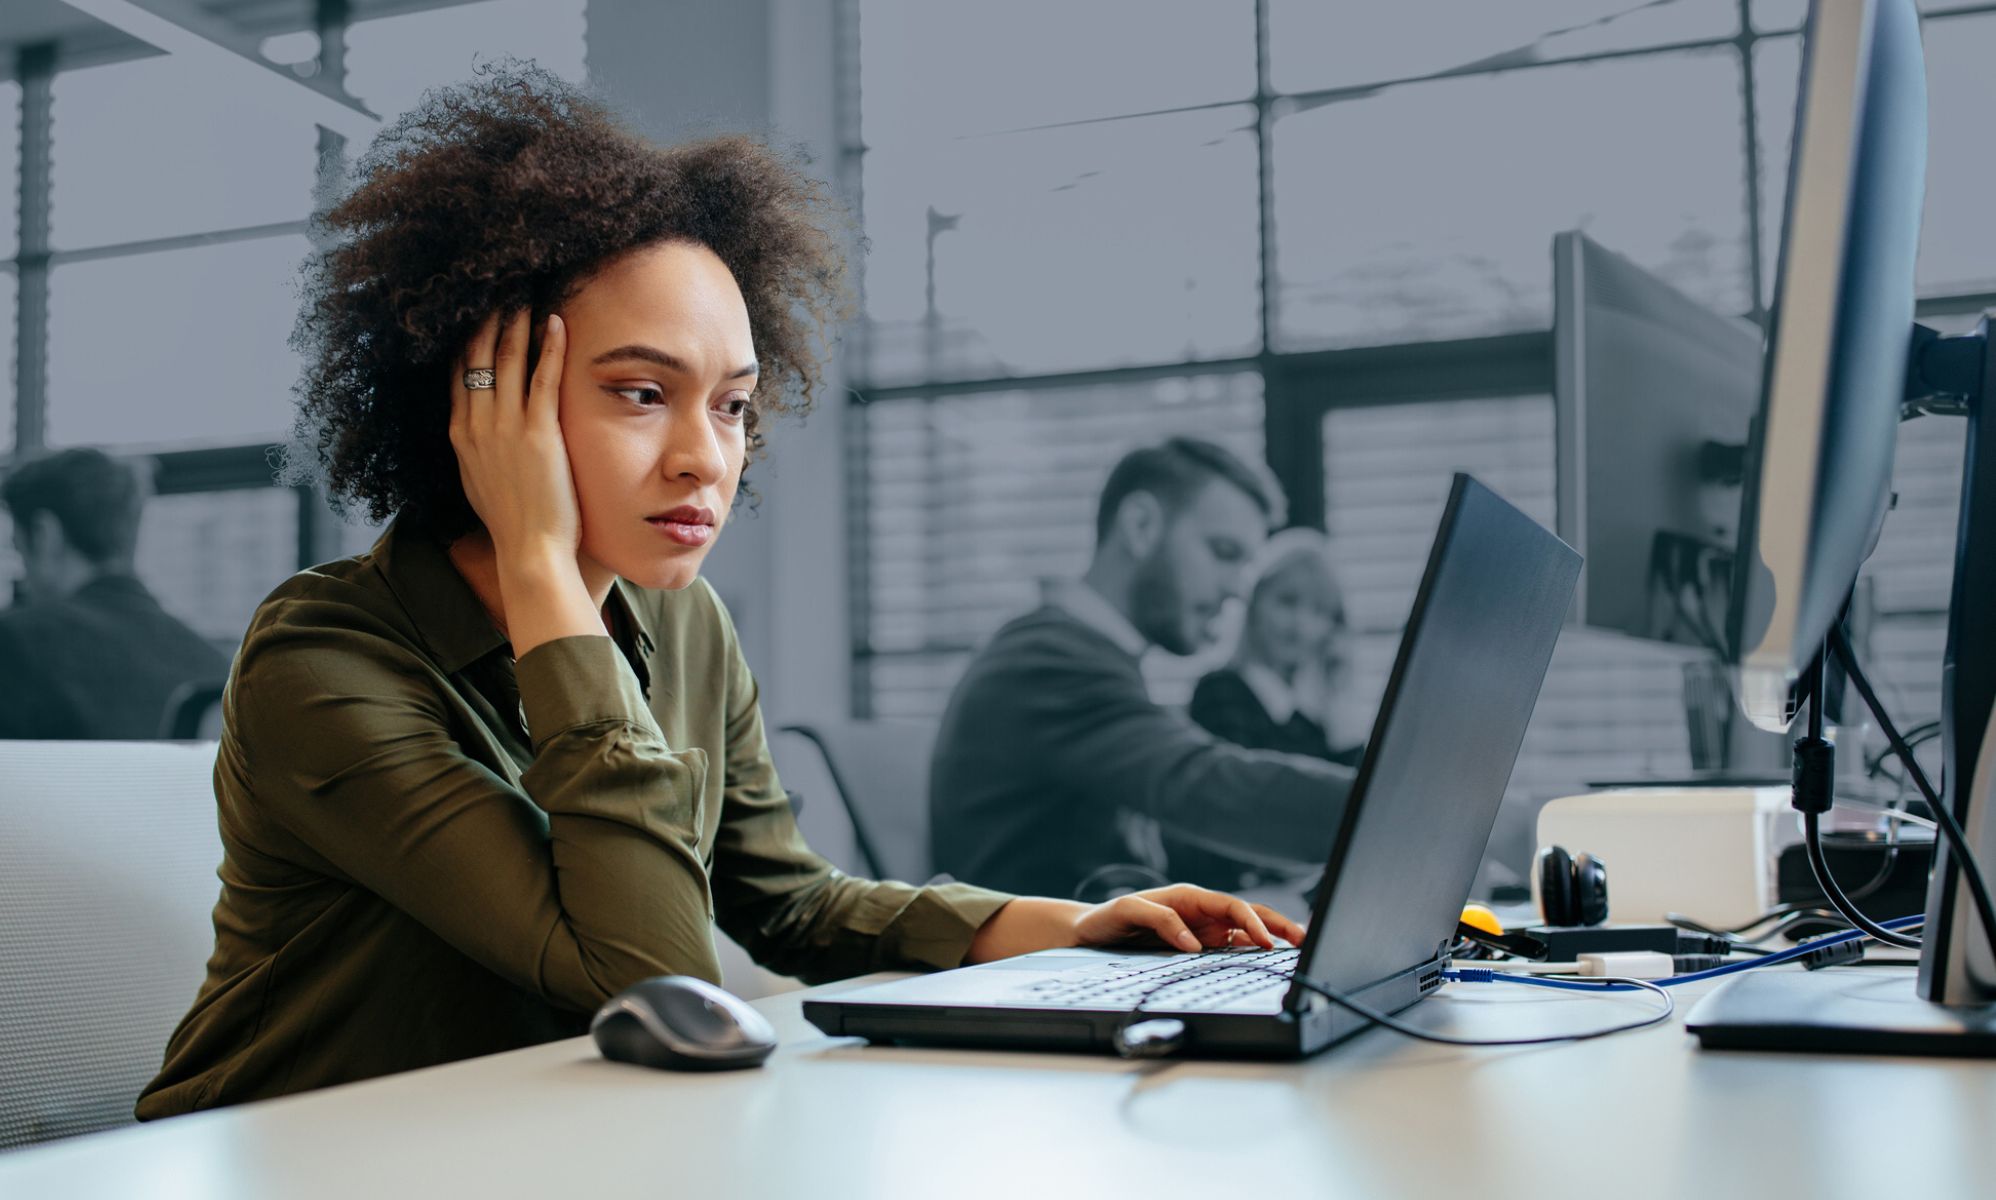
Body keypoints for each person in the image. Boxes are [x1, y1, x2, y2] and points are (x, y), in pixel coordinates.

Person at [136, 66, 1301, 1120]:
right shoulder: (319, 663)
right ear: (484, 398)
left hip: (535, 1141)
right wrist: (540, 566)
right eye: (642, 393)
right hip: (290, 1159)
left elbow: (788, 903)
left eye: (733, 405)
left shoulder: (682, 621)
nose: (707, 458)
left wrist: (1066, 928)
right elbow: (653, 978)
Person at [929, 437, 1355, 900]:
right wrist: (1388, 804)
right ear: (1141, 526)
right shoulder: (1047, 661)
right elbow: (1203, 784)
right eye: (1223, 552)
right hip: (1039, 943)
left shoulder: (1092, 656)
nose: (1238, 589)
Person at [0, 447, 229, 739]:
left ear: (45, 535)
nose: (23, 581)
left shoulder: (12, 644)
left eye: (18, 550)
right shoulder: (217, 667)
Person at [1190, 528, 1365, 767]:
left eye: (1319, 611)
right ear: (1255, 602)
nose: (1300, 625)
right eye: (1287, 601)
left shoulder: (1314, 718)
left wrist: (1337, 696)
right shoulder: (1220, 694)